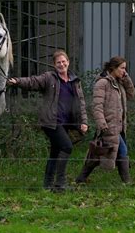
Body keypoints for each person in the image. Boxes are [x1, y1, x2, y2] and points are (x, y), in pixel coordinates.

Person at [7, 50, 88, 192]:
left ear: (68, 62)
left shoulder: (75, 81)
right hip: (51, 122)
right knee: (67, 146)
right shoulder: (49, 78)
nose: (61, 64)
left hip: (66, 123)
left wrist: (84, 121)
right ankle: (60, 184)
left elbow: (81, 102)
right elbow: (33, 81)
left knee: (55, 152)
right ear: (54, 65)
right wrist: (17, 81)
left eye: (64, 62)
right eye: (58, 62)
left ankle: (47, 184)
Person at [75, 56, 135, 184]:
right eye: (122, 68)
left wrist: (126, 78)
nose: (124, 71)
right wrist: (102, 124)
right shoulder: (102, 83)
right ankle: (127, 182)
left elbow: (131, 94)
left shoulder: (119, 82)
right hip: (108, 126)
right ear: (113, 68)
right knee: (120, 151)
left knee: (99, 154)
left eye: (125, 68)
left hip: (119, 127)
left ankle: (80, 179)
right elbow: (97, 106)